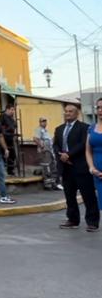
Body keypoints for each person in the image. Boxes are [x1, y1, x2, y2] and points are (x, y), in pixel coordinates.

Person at [54, 102, 99, 232]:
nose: (67, 113)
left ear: (77, 113)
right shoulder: (59, 129)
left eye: (70, 111)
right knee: (69, 196)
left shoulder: (85, 128)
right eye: (66, 111)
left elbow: (83, 144)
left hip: (80, 167)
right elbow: (56, 144)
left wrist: (68, 155)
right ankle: (73, 220)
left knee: (88, 195)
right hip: (66, 168)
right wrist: (61, 155)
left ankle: (92, 222)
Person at [88, 98, 102, 216]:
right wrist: (92, 168)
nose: (100, 110)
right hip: (98, 174)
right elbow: (88, 151)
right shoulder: (91, 128)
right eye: (98, 107)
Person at [0, 104, 19, 175]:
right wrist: (5, 133)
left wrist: (15, 135)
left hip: (10, 138)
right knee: (3, 154)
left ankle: (10, 170)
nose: (13, 111)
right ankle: (1, 170)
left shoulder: (12, 119)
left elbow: (14, 127)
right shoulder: (2, 116)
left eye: (14, 110)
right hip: (4, 138)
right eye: (12, 110)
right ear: (7, 109)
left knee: (12, 155)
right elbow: (0, 127)